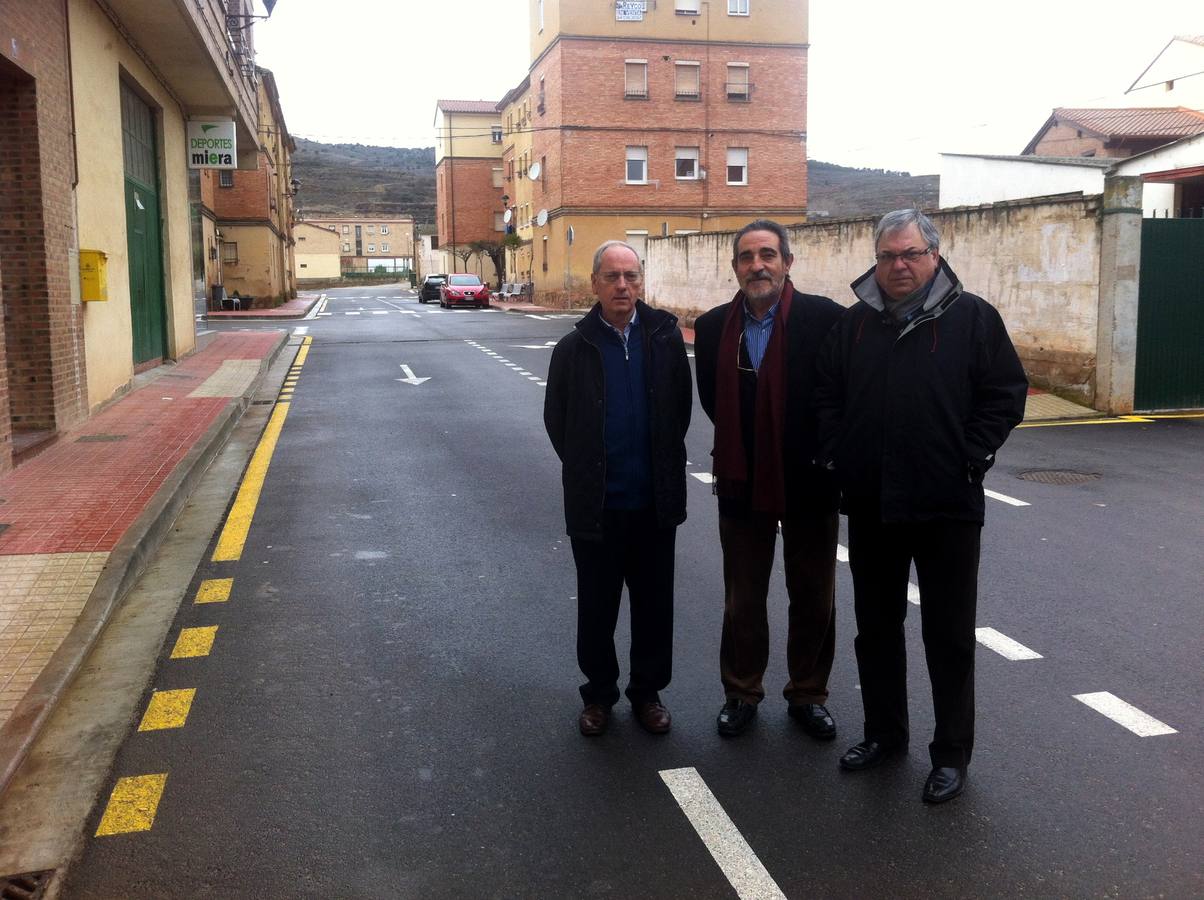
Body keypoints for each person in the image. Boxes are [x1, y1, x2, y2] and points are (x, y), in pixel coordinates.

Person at [815, 209, 1027, 803]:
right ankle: (885, 735)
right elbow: (827, 393)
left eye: (910, 254)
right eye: (887, 256)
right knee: (875, 629)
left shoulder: (974, 318)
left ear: (935, 255)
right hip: (873, 503)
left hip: (947, 505)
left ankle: (951, 754)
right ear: (876, 261)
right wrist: (839, 456)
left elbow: (1004, 393)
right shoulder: (855, 325)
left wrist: (971, 456)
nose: (898, 266)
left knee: (949, 635)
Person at [694, 220, 844, 739]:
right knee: (743, 595)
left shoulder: (826, 319)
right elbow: (713, 401)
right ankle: (741, 691)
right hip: (740, 479)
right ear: (735, 267)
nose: (757, 265)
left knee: (813, 594)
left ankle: (808, 694)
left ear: (787, 262)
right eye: (746, 257)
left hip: (809, 481)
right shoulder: (714, 327)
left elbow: (839, 398)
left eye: (767, 255)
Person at [544, 240, 693, 737]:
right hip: (598, 508)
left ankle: (648, 694)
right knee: (597, 607)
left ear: (641, 281)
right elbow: (557, 422)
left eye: (631, 276)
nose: (623, 286)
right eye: (612, 277)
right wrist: (590, 469)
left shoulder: (666, 339)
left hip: (653, 505)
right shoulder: (573, 349)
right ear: (595, 284)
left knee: (654, 606)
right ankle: (599, 695)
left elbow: (678, 412)